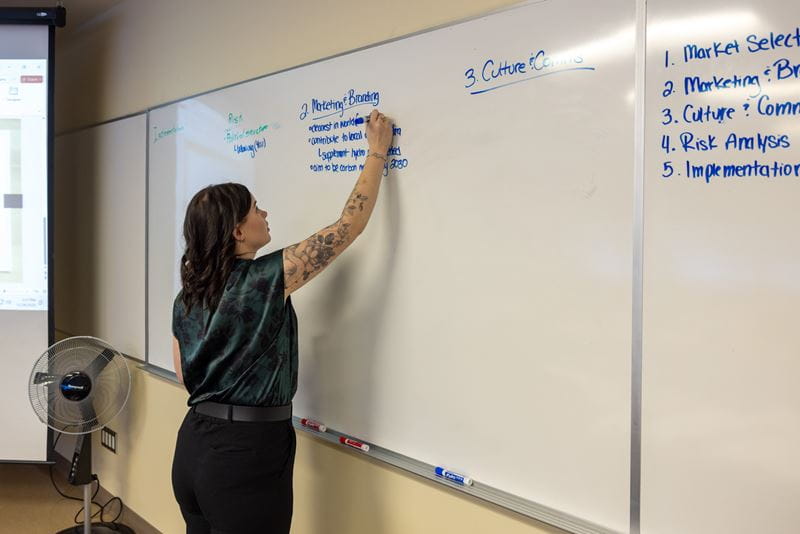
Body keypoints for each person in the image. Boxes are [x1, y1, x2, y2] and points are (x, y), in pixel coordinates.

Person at [170, 109, 394, 534]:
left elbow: (185, 375)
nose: (265, 214)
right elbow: (350, 226)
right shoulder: (264, 279)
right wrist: (377, 152)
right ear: (237, 231)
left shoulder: (186, 297)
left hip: (194, 448)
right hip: (245, 457)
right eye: (256, 209)